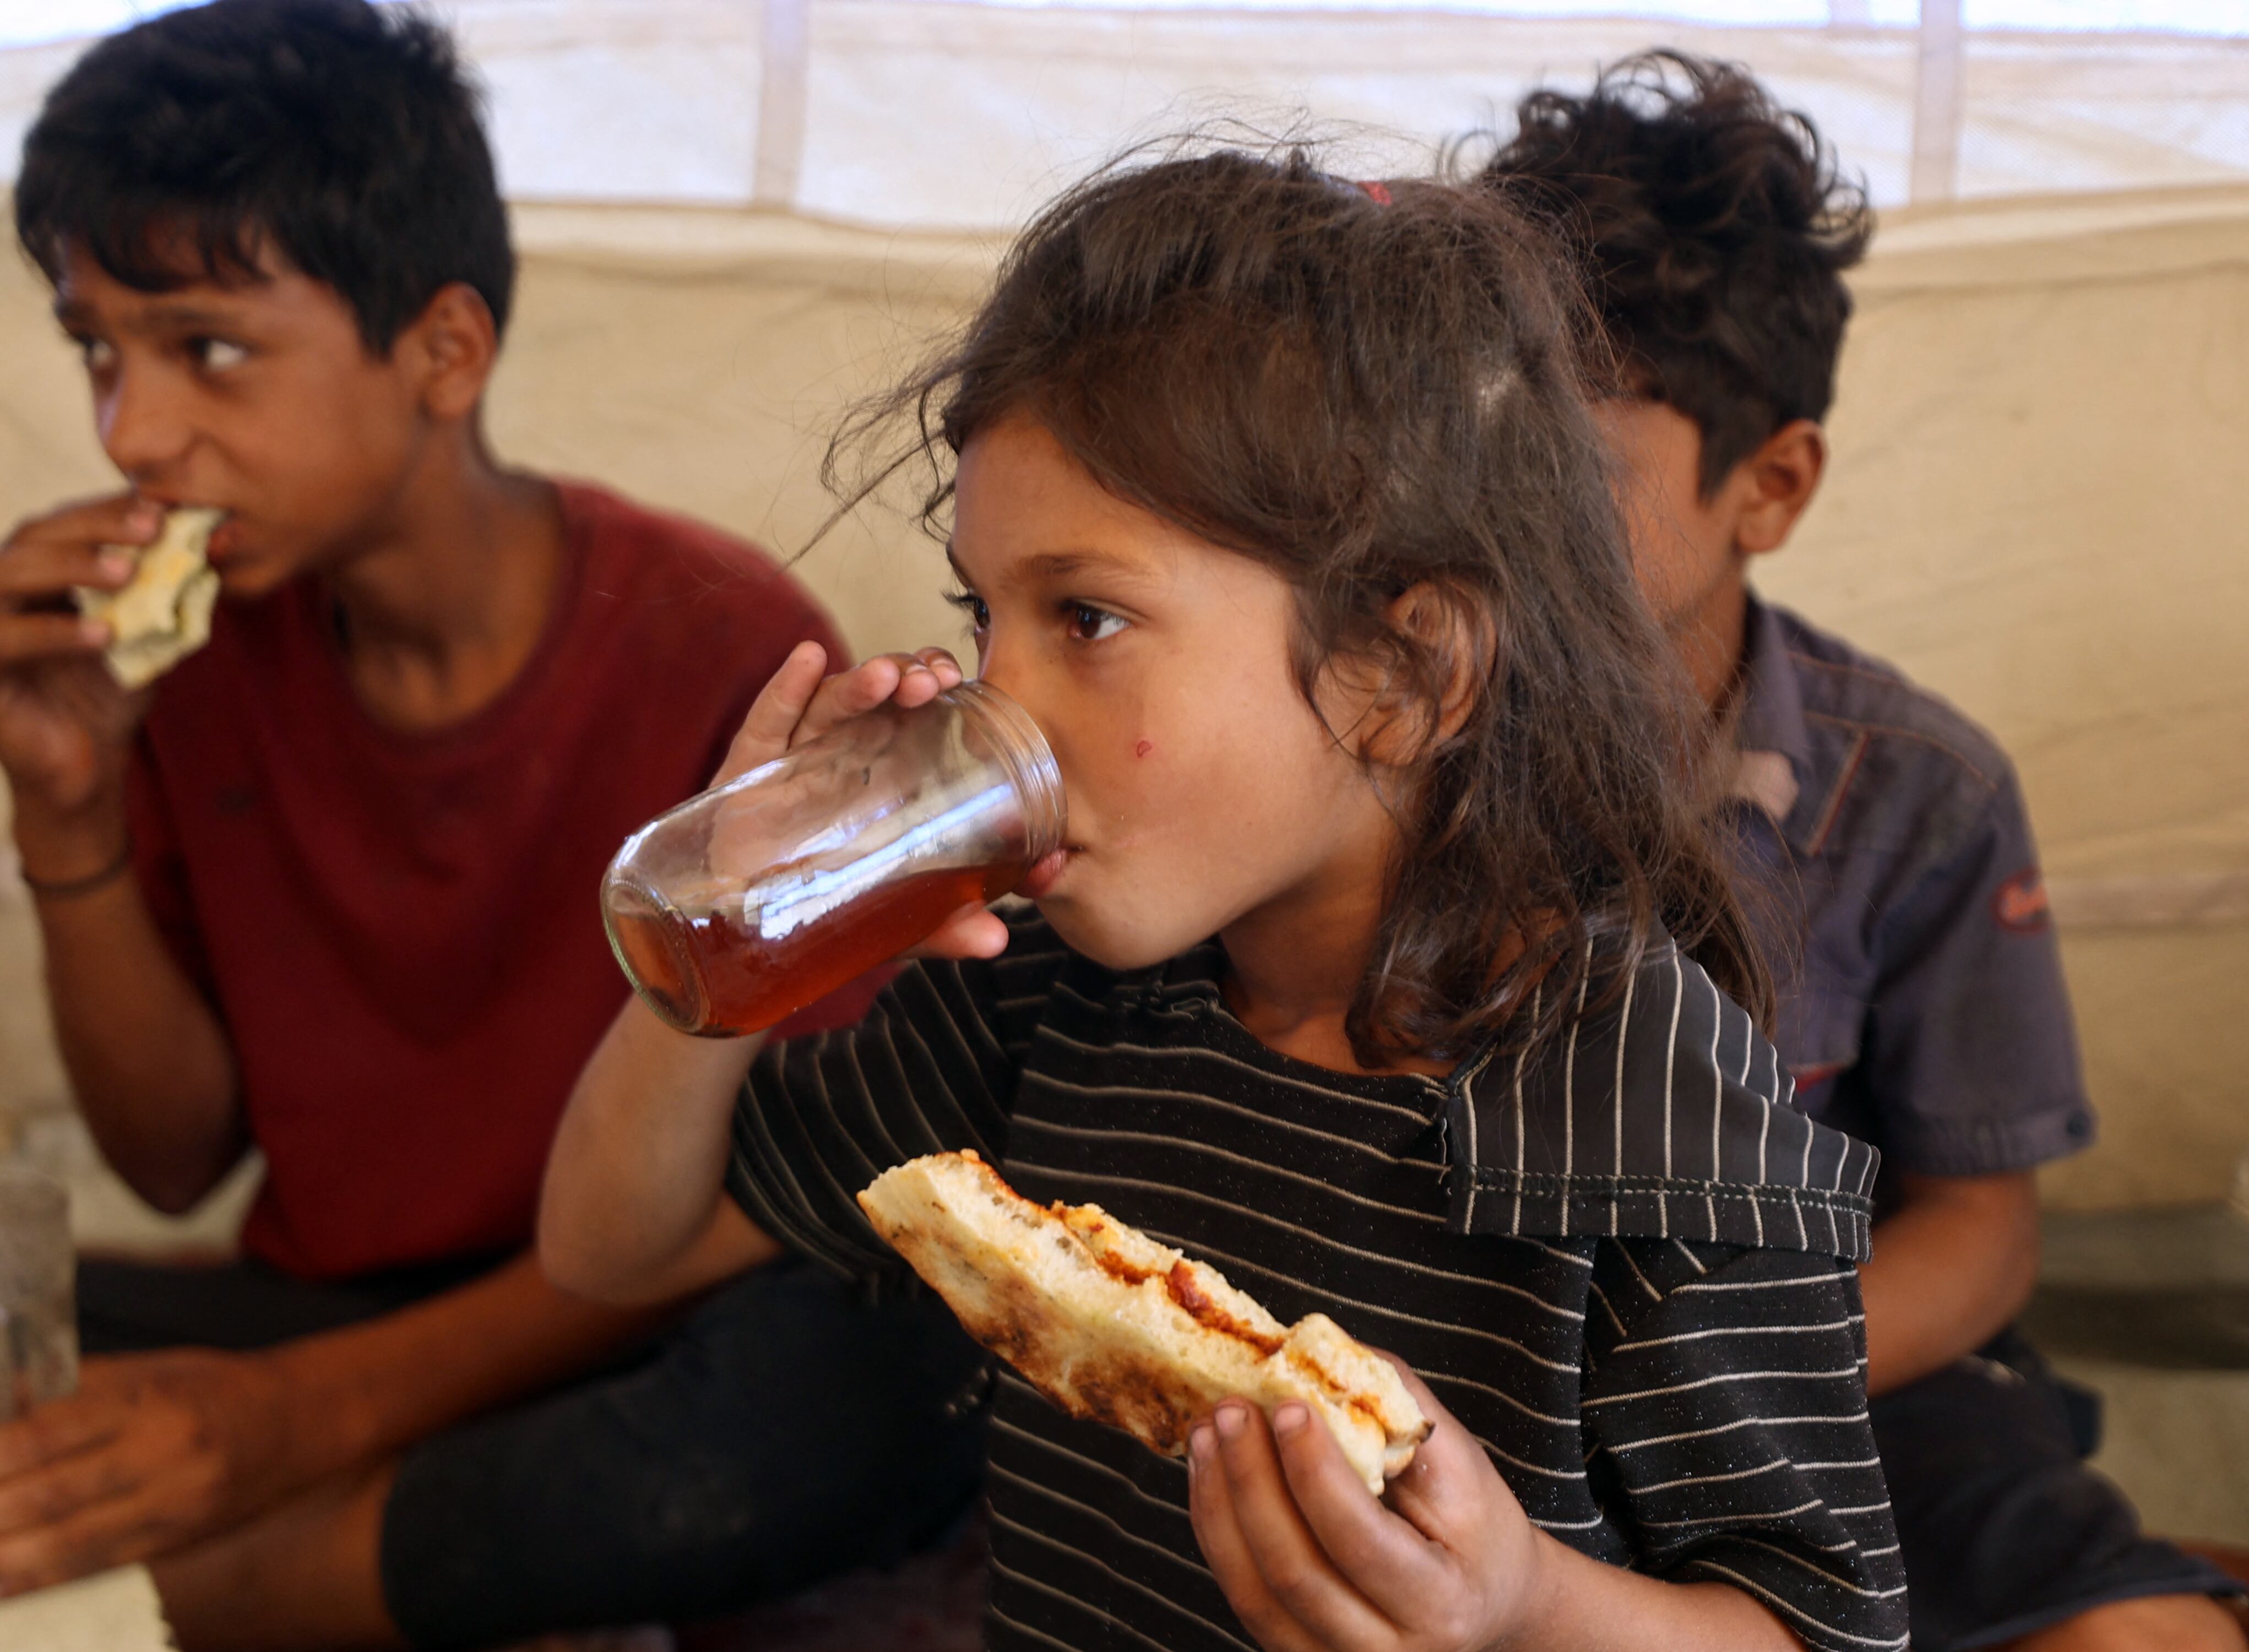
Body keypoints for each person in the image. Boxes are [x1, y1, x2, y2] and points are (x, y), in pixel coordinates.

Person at [536, 146, 1910, 1652]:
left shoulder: (1648, 1102)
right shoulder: (1046, 992)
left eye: (1085, 617)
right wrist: (730, 953)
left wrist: (1522, 1606)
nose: (997, 702)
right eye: (979, 615)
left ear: (1405, 675)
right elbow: (616, 1254)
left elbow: (1818, 1628)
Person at [0, 2, 990, 1646]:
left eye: (205, 348)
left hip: (616, 1323)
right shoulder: (192, 669)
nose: (133, 431)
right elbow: (174, 1153)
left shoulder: (711, 641)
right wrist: (63, 806)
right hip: (319, 1309)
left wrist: (293, 1423)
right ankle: (300, 1526)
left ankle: (223, 1569)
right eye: (96, 351)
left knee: (862, 1391)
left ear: (442, 352)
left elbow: (763, 1196)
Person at [1479, 51, 2247, 1652]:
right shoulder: (1368, 738)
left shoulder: (1916, 794)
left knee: (2141, 1638)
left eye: (1575, 475)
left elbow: (1980, 1228)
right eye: (1472, 450)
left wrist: (1724, 1378)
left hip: (1835, 1376)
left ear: (1772, 483)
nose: (1498, 523)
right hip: (1470, 1369)